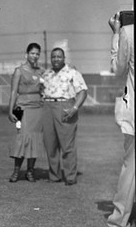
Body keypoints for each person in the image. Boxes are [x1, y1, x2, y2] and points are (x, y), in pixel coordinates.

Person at [42, 47, 87, 185]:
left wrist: (74, 107)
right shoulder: (46, 74)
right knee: (50, 144)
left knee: (67, 145)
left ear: (64, 58)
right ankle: (54, 176)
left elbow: (83, 91)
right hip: (48, 106)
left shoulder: (72, 73)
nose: (56, 59)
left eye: (59, 56)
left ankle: (70, 177)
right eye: (53, 57)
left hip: (65, 106)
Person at [106, 11, 134, 227]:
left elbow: (118, 69)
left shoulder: (128, 32)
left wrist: (116, 33)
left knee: (131, 168)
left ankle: (118, 223)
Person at [8, 43, 45, 182]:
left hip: (37, 109)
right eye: (32, 53)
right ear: (27, 54)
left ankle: (30, 171)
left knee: (34, 140)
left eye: (37, 54)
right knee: (21, 139)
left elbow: (44, 90)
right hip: (21, 108)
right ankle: (16, 171)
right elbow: (13, 92)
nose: (35, 56)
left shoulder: (40, 72)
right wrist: (10, 110)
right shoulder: (19, 71)